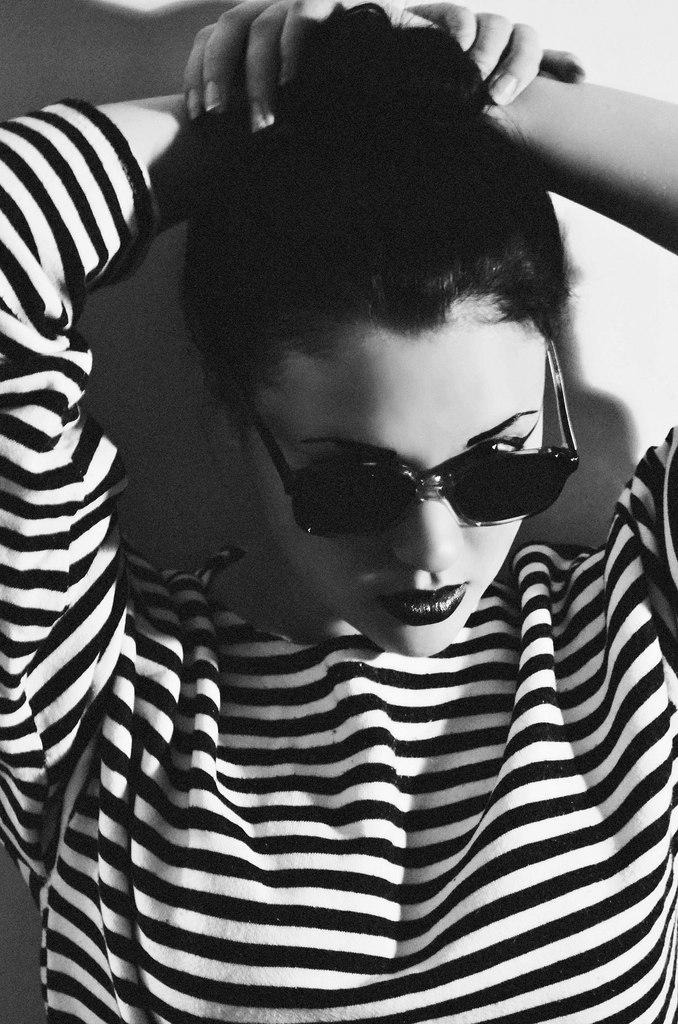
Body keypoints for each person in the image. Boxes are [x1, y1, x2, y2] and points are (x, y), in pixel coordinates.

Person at [0, 1, 677, 1021]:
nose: (436, 551)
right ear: (238, 427)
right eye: (354, 488)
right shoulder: (92, 692)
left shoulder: (626, 643)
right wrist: (271, 114)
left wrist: (491, 107)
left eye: (502, 472)